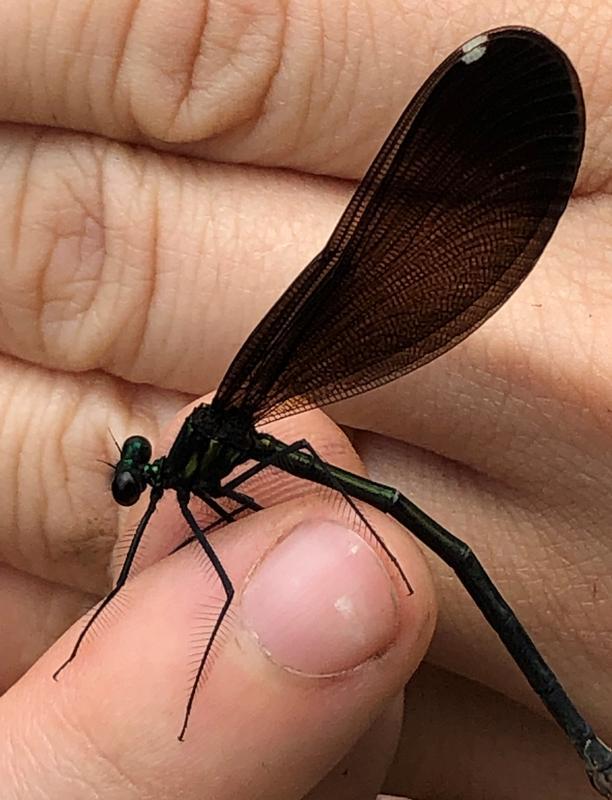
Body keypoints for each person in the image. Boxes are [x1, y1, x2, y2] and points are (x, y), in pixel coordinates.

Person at [0, 3, 609, 798]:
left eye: (135, 477)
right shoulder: (199, 471)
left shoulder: (190, 469)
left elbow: (222, 571)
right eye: (135, 475)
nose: (137, 485)